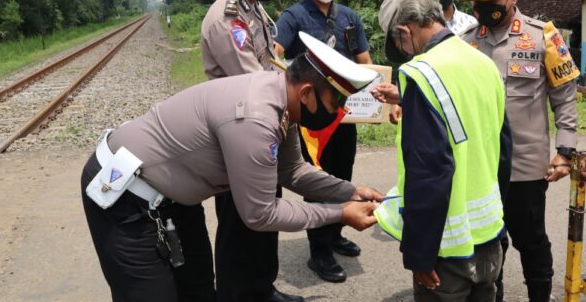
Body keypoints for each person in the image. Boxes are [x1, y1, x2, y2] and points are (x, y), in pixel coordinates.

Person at [81, 32, 384, 302]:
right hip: (126, 197)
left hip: (173, 201)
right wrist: (339, 213)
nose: (339, 111)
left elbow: (292, 170)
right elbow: (260, 213)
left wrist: (350, 192)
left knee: (199, 290)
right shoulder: (256, 117)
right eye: (335, 102)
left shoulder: (283, 99)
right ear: (306, 93)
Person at [369, 0, 512, 301]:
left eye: (400, 44)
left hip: (447, 250)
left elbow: (429, 171)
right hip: (490, 236)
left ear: (405, 30)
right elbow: (503, 151)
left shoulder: (420, 74)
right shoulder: (483, 62)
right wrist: (499, 225)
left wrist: (419, 253)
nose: (406, 53)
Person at [460, 0, 579, 302]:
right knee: (488, 242)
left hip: (525, 166)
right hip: (481, 167)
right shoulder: (466, 42)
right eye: (477, 2)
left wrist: (565, 151)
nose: (483, 8)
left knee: (531, 240)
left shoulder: (544, 36)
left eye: (491, 1)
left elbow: (565, 98)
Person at [200, 0, 305, 302]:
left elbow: (269, 62)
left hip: (263, 127)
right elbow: (253, 82)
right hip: (239, 133)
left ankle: (262, 288)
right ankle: (234, 293)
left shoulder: (251, 7)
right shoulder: (226, 18)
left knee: (265, 216)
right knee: (237, 225)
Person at [273, 0, 372, 284]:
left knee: (343, 174)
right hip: (312, 117)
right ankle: (319, 251)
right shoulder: (293, 16)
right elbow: (273, 56)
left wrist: (376, 97)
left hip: (344, 114)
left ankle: (335, 233)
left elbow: (365, 61)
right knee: (317, 180)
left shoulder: (349, 18)